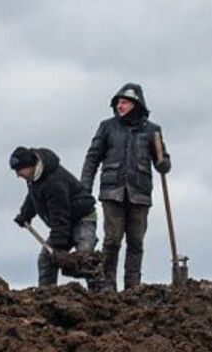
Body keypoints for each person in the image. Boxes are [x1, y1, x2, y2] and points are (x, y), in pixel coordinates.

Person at [81, 82, 170, 291]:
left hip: (139, 194)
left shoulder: (152, 131)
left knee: (136, 242)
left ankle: (133, 287)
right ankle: (108, 285)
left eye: (125, 103)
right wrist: (85, 188)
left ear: (136, 105)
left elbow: (163, 161)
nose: (120, 106)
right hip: (113, 192)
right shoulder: (107, 127)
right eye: (118, 102)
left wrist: (163, 163)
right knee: (112, 240)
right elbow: (92, 158)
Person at [11, 146, 99, 288]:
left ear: (30, 165)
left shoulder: (54, 182)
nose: (18, 175)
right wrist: (25, 215)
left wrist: (58, 248)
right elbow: (33, 197)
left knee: (84, 260)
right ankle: (46, 295)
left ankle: (101, 295)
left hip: (82, 219)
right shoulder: (35, 178)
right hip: (64, 222)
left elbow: (60, 215)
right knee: (46, 259)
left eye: (19, 170)